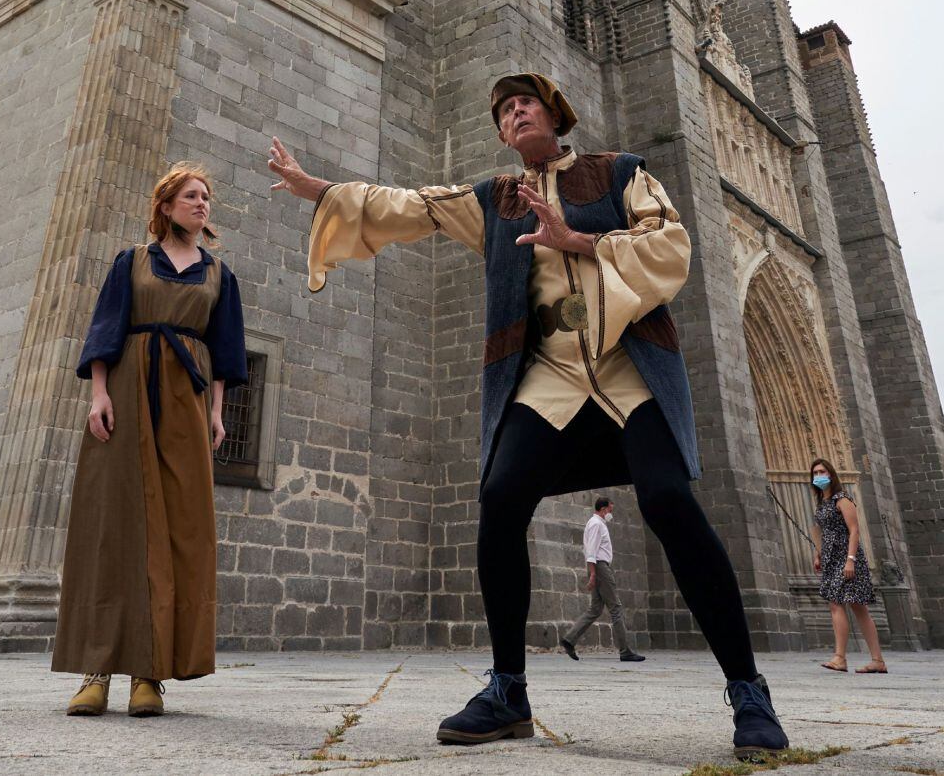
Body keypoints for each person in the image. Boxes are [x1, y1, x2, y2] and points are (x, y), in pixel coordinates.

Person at [268, 73, 789, 760]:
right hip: (547, 374)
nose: (514, 113)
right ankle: (508, 690)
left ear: (555, 114)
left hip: (626, 366)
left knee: (668, 500)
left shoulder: (619, 173)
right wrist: (323, 192)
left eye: (525, 103)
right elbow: (413, 205)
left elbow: (671, 247)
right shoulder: (495, 199)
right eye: (504, 111)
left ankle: (748, 691)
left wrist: (580, 241)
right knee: (501, 494)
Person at [52, 162, 248, 717]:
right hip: (127, 391)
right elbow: (105, 330)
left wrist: (216, 413)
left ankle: (149, 674)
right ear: (166, 205)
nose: (202, 203)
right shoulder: (130, 262)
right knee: (111, 522)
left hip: (186, 402)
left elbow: (227, 355)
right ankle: (95, 671)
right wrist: (99, 396)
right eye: (191, 195)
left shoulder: (219, 275)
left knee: (179, 530)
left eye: (207, 196)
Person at [810, 458, 887, 674]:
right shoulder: (822, 503)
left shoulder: (842, 499)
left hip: (847, 557)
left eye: (822, 471)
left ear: (831, 474)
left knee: (843, 604)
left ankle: (841, 657)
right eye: (815, 473)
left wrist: (850, 560)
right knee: (852, 607)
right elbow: (823, 532)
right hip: (830, 557)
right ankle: (876, 660)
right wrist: (818, 554)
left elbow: (854, 530)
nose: (818, 476)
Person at [559, 497, 645, 662]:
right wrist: (593, 574)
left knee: (596, 609)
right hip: (600, 567)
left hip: (598, 567)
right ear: (604, 509)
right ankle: (625, 651)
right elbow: (591, 551)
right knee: (615, 608)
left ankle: (569, 639)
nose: (611, 514)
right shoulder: (597, 524)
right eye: (610, 511)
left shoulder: (596, 524)